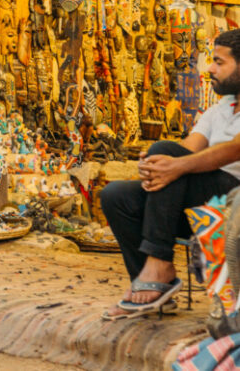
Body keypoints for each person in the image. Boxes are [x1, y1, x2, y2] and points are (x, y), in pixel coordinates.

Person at [100, 29, 240, 320]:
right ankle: (151, 284)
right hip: (199, 205)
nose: (210, 69)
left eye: (218, 62)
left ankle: (159, 266)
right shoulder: (219, 109)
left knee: (167, 152)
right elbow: (188, 150)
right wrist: (154, 164)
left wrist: (174, 163)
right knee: (115, 195)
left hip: (234, 205)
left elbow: (233, 150)